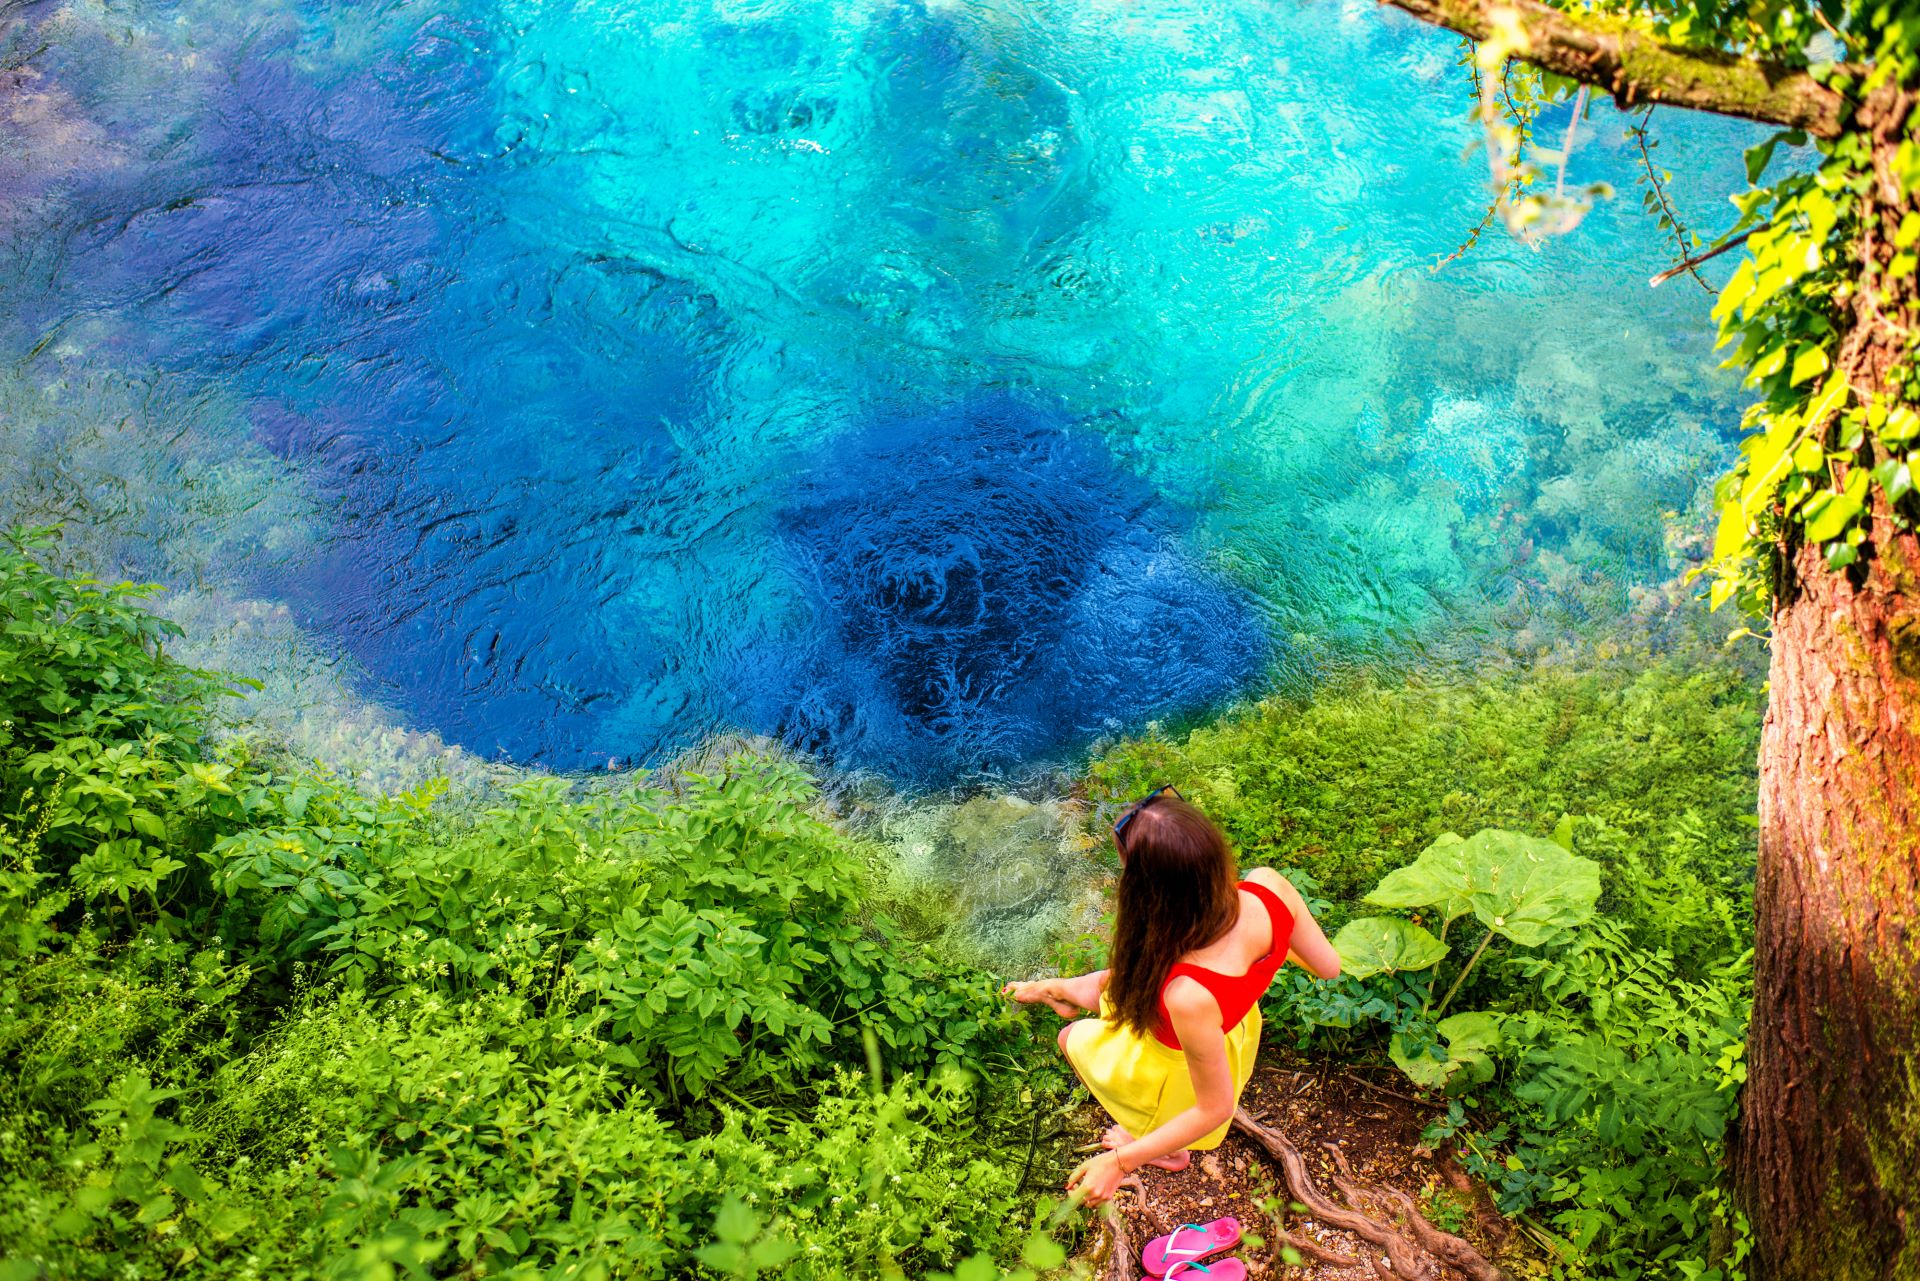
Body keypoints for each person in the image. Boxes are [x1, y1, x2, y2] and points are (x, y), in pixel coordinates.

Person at [1003, 786, 1341, 1208]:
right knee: (1114, 994)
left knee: (1071, 1038)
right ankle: (1058, 990)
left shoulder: (1186, 992)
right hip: (1231, 1032)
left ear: (1151, 893)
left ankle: (1164, 1146)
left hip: (1177, 1067)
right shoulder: (1268, 888)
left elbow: (1215, 1107)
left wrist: (1121, 1162)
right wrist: (1265, 954)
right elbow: (1328, 966)